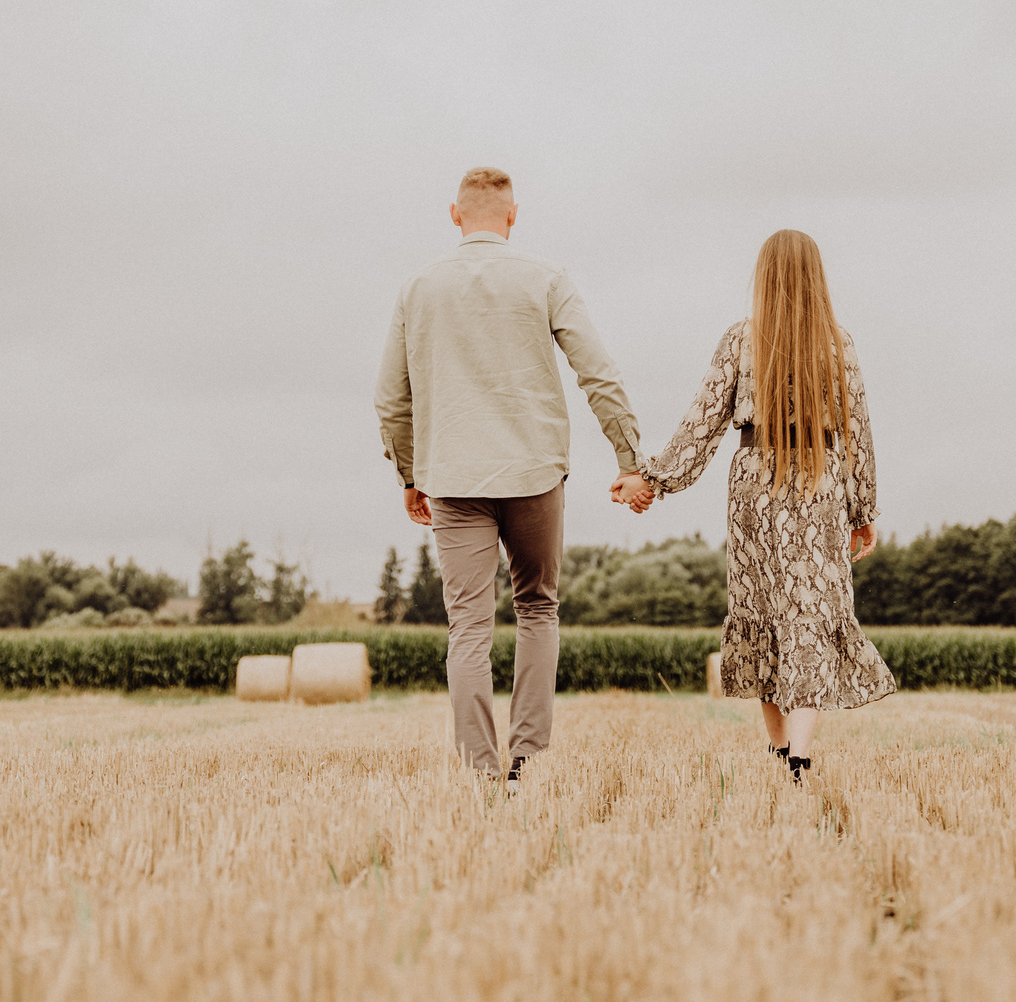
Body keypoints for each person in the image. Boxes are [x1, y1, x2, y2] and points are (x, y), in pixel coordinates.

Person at [375, 166, 651, 790]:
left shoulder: (417, 287)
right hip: (533, 471)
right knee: (537, 607)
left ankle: (479, 769)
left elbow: (391, 397)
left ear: (454, 214)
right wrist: (628, 456)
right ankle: (530, 761)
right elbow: (598, 372)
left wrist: (409, 472)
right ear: (512, 214)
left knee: (469, 624)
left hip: (451, 474)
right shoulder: (546, 277)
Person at [622, 229, 894, 783]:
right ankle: (796, 753)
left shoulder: (739, 341)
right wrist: (863, 509)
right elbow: (858, 432)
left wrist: (654, 479)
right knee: (809, 618)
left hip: (754, 482)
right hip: (818, 483)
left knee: (763, 613)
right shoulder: (838, 344)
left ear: (763, 276)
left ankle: (781, 752)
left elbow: (701, 424)